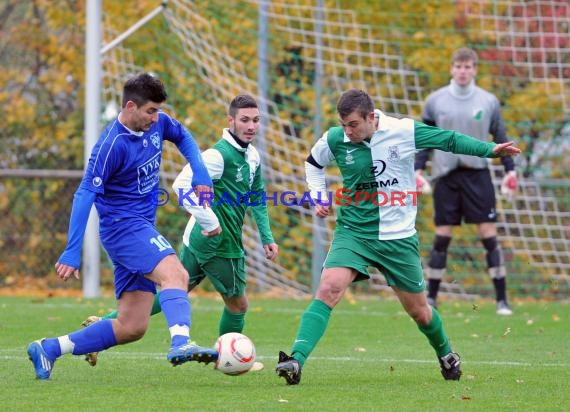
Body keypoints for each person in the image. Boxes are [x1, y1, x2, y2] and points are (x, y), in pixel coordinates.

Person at [275, 88, 520, 385]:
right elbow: (313, 163)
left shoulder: (402, 130)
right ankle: (295, 361)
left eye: (353, 124)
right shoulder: (336, 139)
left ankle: (446, 353)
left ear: (370, 117)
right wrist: (318, 196)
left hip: (398, 238)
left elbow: (448, 139)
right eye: (343, 125)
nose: (347, 131)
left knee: (420, 313)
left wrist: (489, 150)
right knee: (329, 288)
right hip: (354, 232)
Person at [27, 73, 218, 380]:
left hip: (139, 226)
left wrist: (201, 175)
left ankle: (48, 349)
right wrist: (72, 250)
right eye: (150, 111)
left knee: (132, 325)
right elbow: (85, 193)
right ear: (130, 106)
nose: (156, 118)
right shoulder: (110, 146)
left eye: (157, 111)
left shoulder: (158, 124)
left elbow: (183, 136)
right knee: (176, 274)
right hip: (123, 228)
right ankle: (181, 342)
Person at [79, 94, 278, 372]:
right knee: (238, 304)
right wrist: (209, 220)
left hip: (195, 240)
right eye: (244, 120)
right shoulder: (218, 155)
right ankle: (229, 358)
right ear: (230, 121)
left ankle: (101, 327)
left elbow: (256, 196)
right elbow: (182, 185)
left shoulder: (252, 155)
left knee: (174, 290)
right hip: (219, 244)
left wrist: (267, 236)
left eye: (256, 120)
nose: (251, 126)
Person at [414, 48, 517, 315]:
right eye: (458, 66)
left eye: (468, 66)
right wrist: (418, 170)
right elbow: (425, 138)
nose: (463, 71)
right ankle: (432, 298)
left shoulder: (488, 101)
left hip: (477, 174)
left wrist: (510, 171)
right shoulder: (435, 101)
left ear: (474, 69)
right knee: (442, 237)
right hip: (445, 176)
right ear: (451, 68)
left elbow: (501, 135)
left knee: (488, 235)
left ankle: (502, 300)